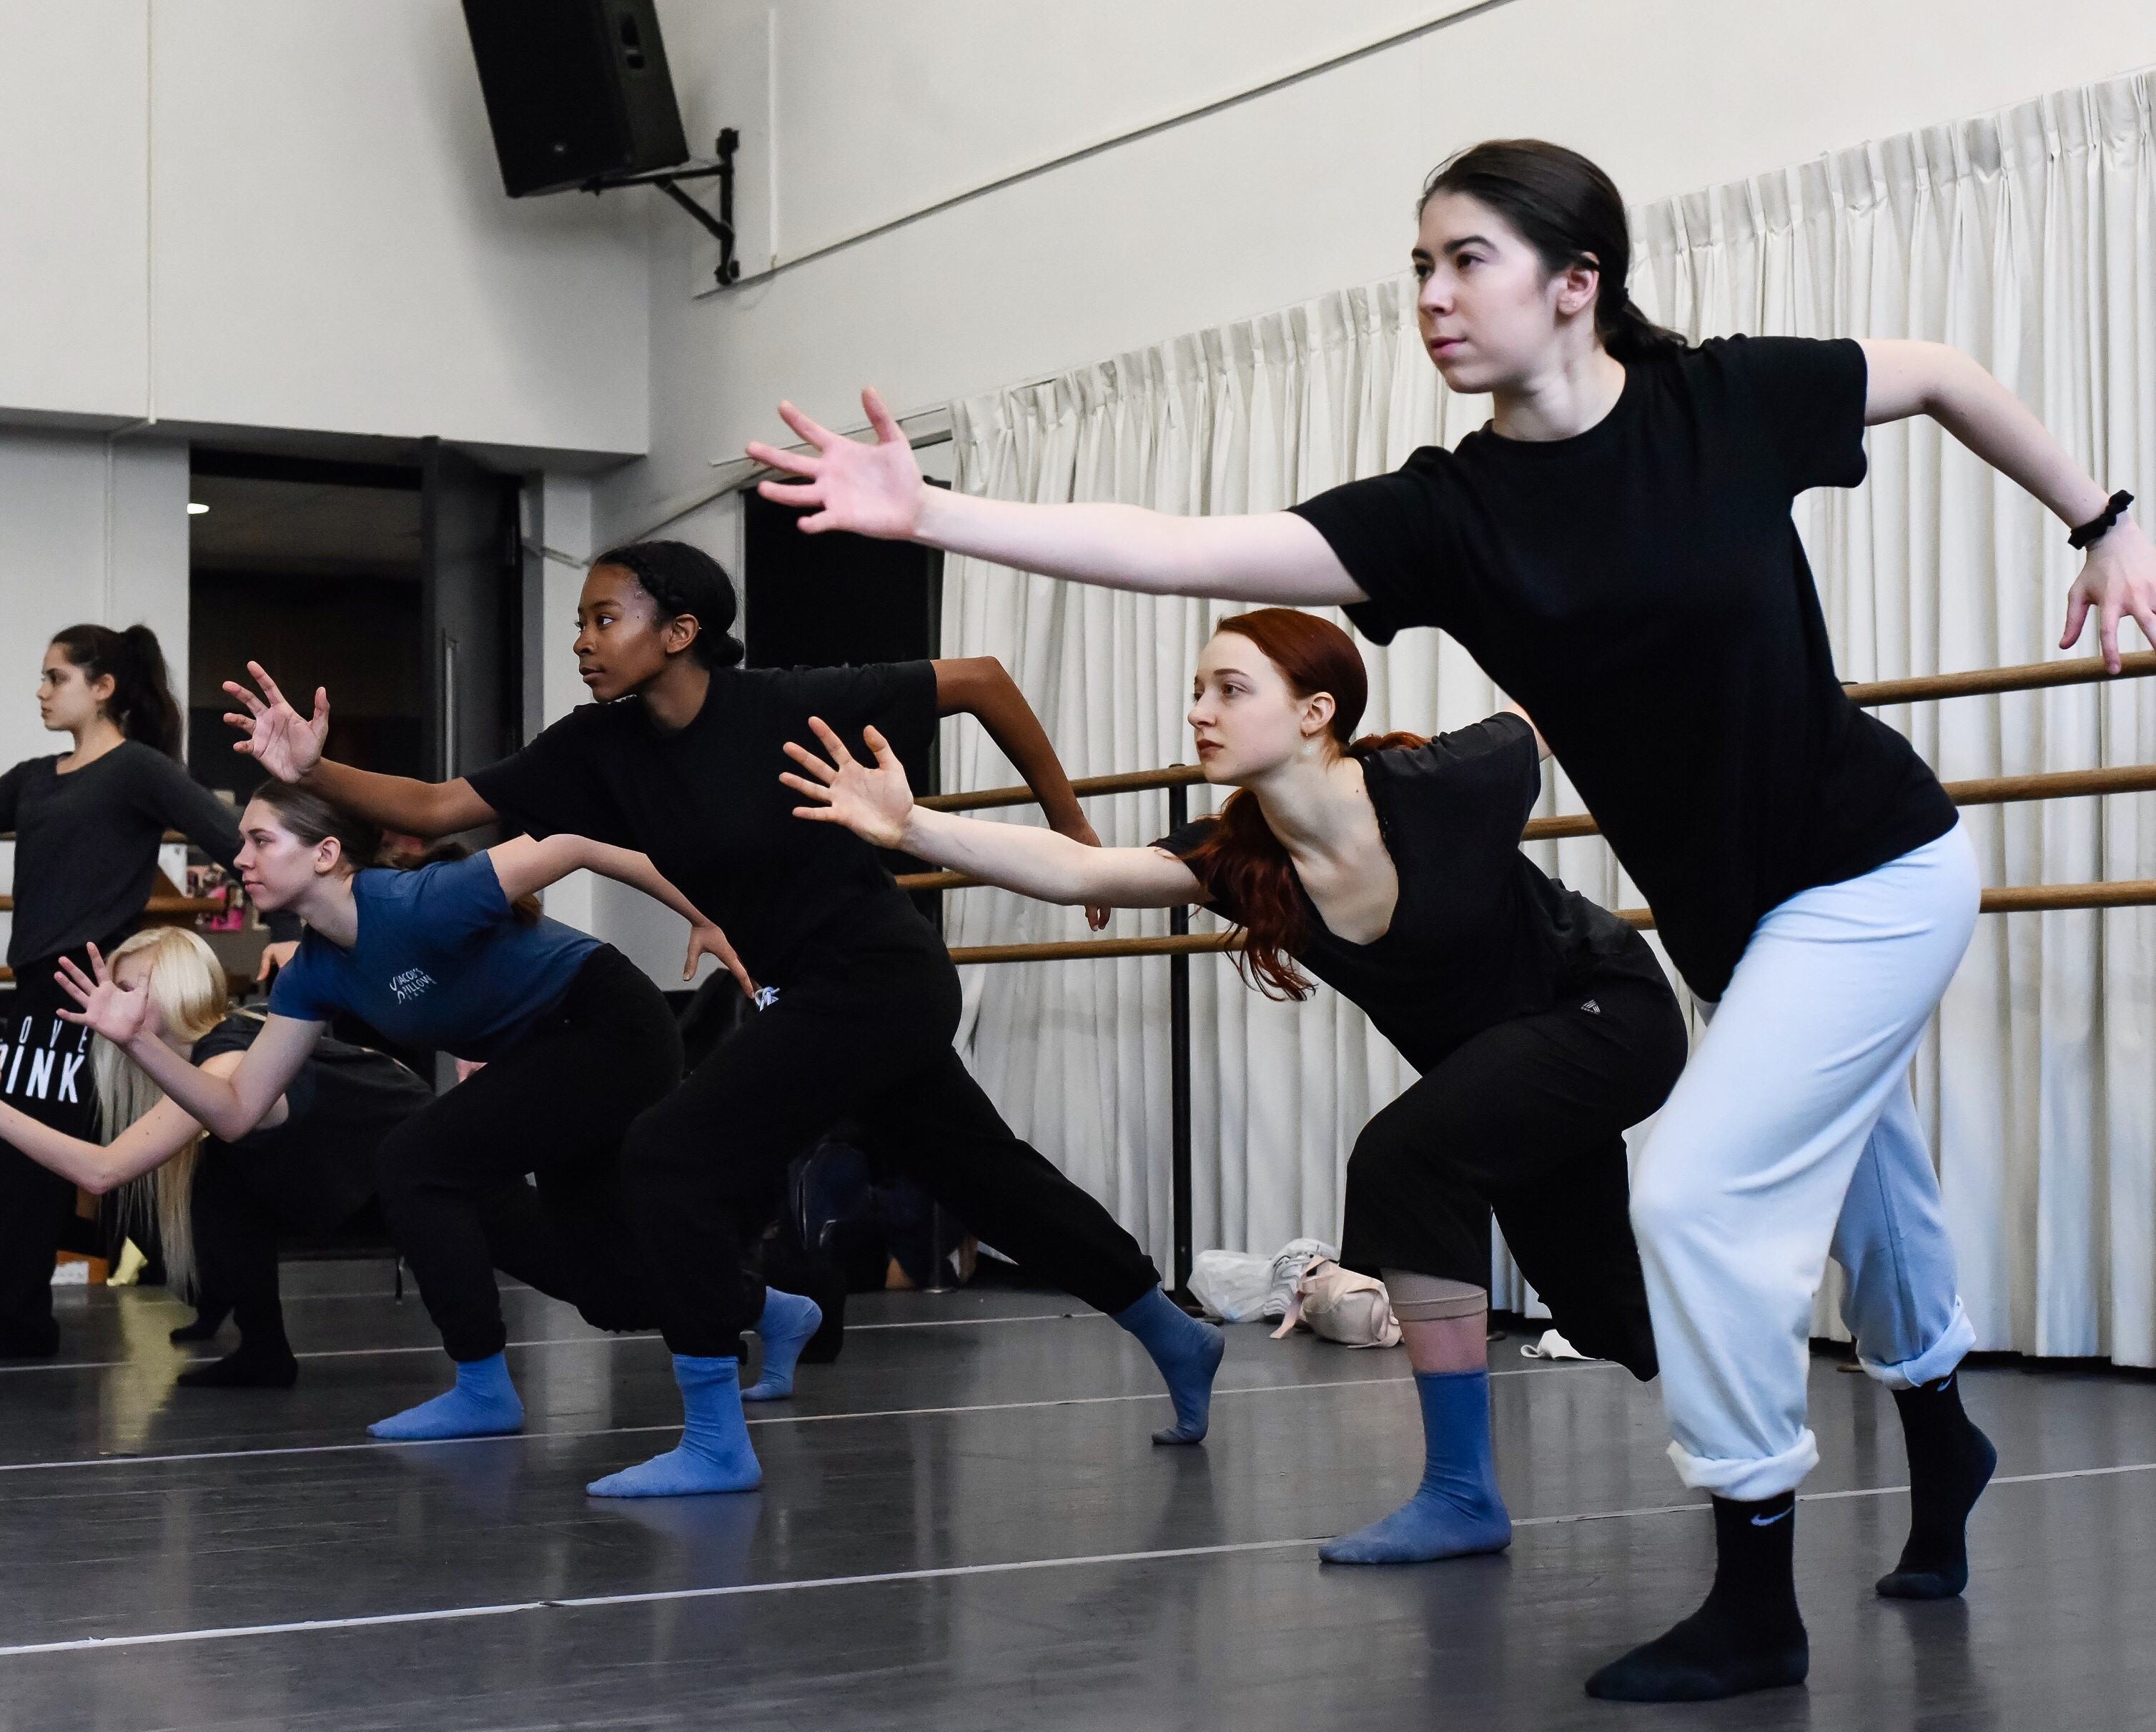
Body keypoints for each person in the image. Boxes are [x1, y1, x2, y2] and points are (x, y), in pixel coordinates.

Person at [743, 137, 2156, 1700]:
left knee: (1689, 1190)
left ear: (1573, 284)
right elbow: (1187, 549)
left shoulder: (1727, 403)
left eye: (1462, 258)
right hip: (1733, 928)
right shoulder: (1448, 518)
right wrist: (931, 511)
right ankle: (1942, 1436)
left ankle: (1756, 1587)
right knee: (1865, 1176)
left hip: (1878, 864)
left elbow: (1947, 371)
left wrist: (2100, 517)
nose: (1428, 294)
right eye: (1415, 265)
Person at [217, 540, 1223, 1500]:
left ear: (681, 629)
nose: (582, 639)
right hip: (803, 991)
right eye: (580, 620)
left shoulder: (780, 705)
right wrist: (312, 769)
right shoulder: (598, 749)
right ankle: (1175, 1331)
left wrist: (1076, 832)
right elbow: (437, 806)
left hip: (879, 973)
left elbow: (984, 679)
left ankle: (714, 1440)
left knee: (667, 1153)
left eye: (605, 617)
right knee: (991, 1178)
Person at [783, 606, 1688, 1564]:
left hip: (1608, 1009)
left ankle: (1463, 1495)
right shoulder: (1244, 861)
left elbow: (1553, 703)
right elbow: (1081, 867)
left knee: (1406, 1156)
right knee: (1610, 1312)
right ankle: (1751, 1382)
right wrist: (912, 821)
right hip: (1503, 1077)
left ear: (1316, 711)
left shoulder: (1443, 783)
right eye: (1197, 690)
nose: (1200, 711)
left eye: (1231, 688)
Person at [59, 779, 756, 1440]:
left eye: (261, 839)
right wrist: (140, 1042)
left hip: (609, 1025)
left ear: (325, 853)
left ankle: (483, 1387)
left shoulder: (422, 899)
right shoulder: (315, 970)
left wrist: (704, 914)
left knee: (413, 1158)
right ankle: (773, 1306)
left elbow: (573, 842)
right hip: (544, 1055)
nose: (238, 856)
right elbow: (239, 1110)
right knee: (604, 1290)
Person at [0, 623, 302, 1358]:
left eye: (55, 677)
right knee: (27, 1161)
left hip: (97, 993)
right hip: (35, 993)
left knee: (56, 1163)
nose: (40, 691)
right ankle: (43, 1313)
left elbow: (235, 837)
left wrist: (289, 923)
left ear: (102, 688)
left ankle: (26, 1323)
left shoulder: (137, 770)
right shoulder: (35, 778)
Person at [0, 924, 437, 1387]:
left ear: (174, 989)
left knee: (516, 1245)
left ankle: (260, 1345)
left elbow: (101, 1170)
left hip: (420, 1159)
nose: (109, 1001)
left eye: (127, 988)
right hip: (367, 1171)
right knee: (215, 1170)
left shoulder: (226, 1058)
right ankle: (262, 1349)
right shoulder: (208, 1055)